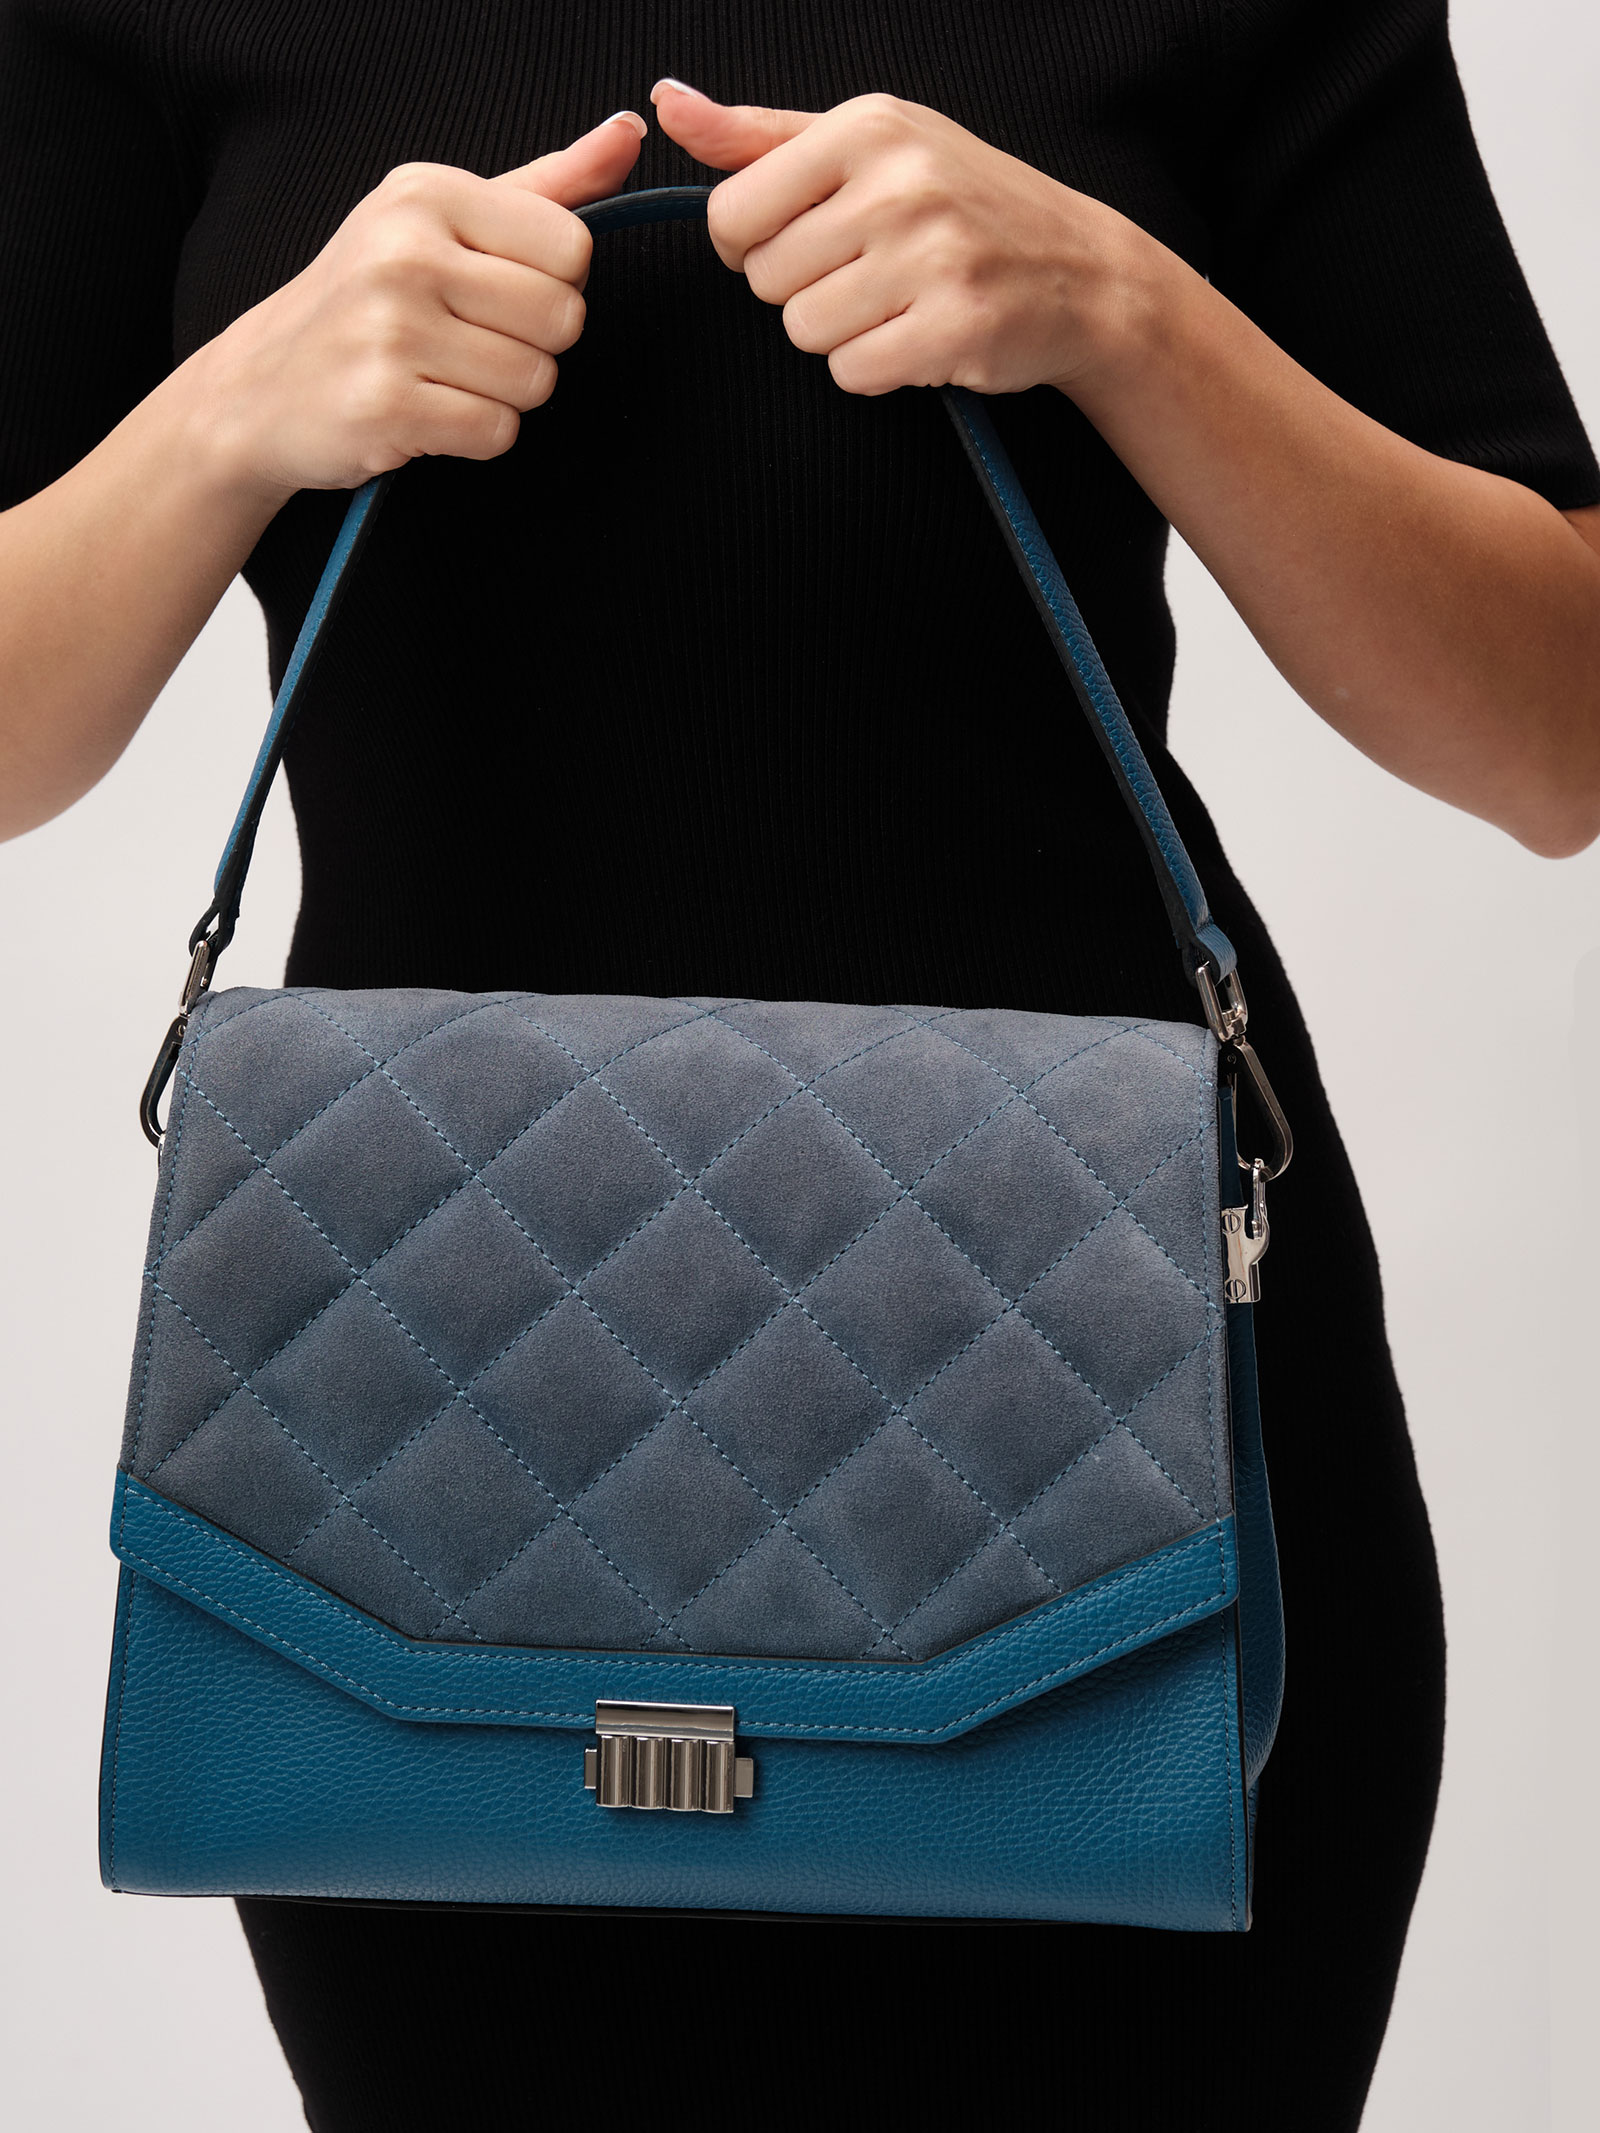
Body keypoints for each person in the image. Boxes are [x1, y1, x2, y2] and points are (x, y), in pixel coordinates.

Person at [3, 4, 1596, 2128]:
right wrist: (232, 408)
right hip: (416, 1466)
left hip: (1128, 1454)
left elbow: (1558, 733)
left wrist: (1120, 309)